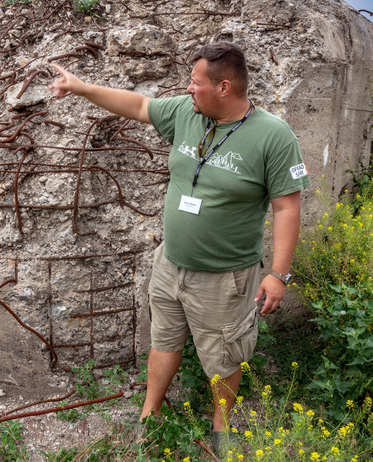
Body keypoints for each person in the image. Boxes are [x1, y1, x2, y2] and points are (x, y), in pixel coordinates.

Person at [49, 41, 311, 453]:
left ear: (224, 87)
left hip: (225, 277)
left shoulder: (273, 137)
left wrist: (278, 274)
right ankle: (150, 414)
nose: (188, 89)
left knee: (224, 356)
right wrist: (82, 88)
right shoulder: (188, 114)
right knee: (163, 338)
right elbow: (137, 106)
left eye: (196, 82)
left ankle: (222, 426)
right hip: (170, 263)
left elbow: (286, 208)